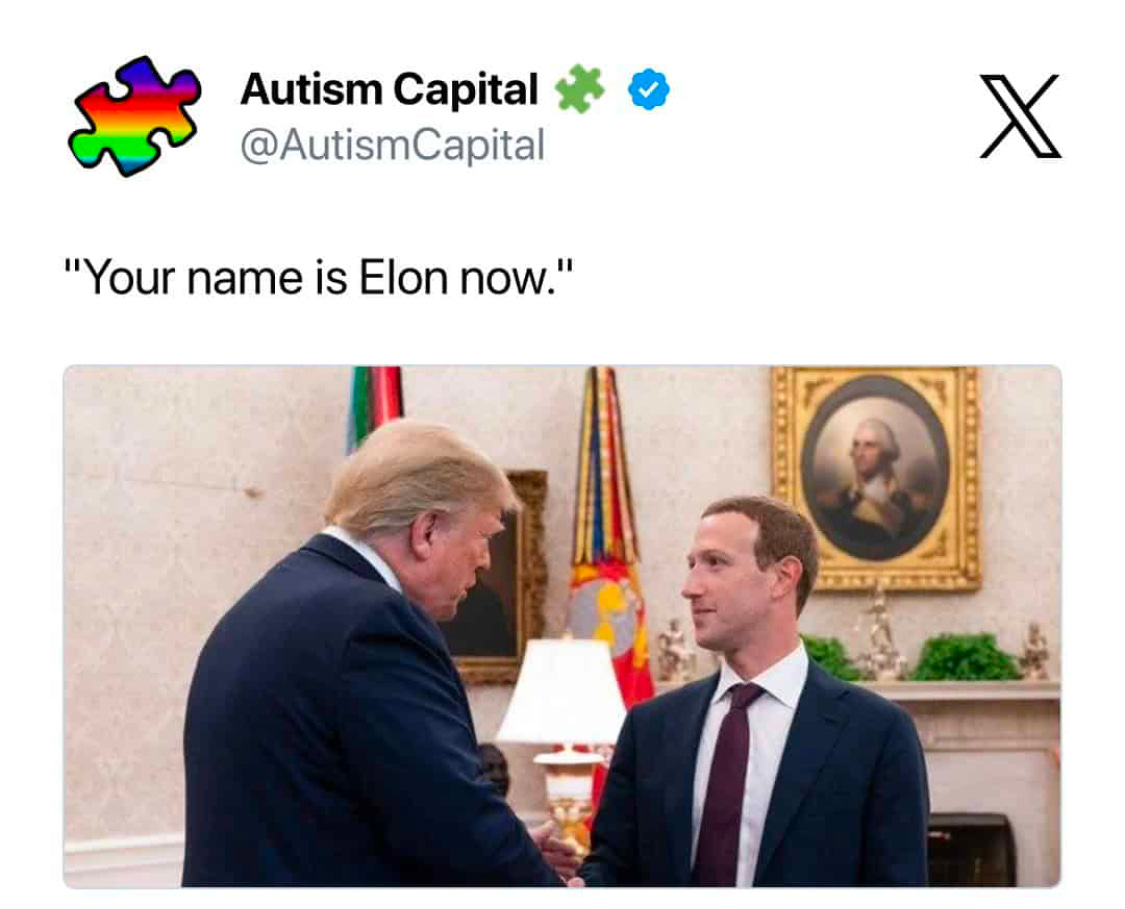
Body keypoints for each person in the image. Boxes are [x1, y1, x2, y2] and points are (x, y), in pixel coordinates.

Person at [182, 419, 579, 885]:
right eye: (484, 535)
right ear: (427, 530)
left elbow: (342, 810)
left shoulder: (274, 598)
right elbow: (450, 822)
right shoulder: (374, 623)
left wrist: (505, 852)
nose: (487, 559)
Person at [578, 496, 929, 886]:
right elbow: (611, 868)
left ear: (782, 578)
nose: (690, 588)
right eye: (692, 565)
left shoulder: (877, 733)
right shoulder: (650, 726)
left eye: (715, 563)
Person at [820, 418, 925, 548]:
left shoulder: (915, 505)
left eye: (869, 445)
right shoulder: (831, 505)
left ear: (887, 452)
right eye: (856, 445)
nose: (859, 453)